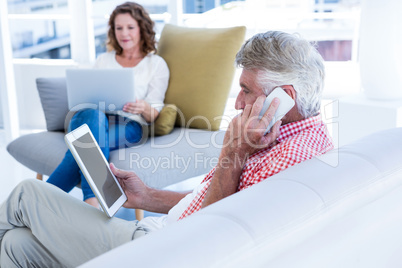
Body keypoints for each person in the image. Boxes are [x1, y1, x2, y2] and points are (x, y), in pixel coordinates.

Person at [0, 31, 334, 267]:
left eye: (246, 90)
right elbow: (215, 202)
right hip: (158, 231)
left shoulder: (289, 160)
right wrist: (146, 197)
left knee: (27, 194)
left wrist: (234, 152)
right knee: (16, 246)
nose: (238, 101)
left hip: (161, 251)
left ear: (284, 96)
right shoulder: (290, 137)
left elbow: (211, 235)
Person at [46, 2, 170, 208]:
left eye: (130, 27)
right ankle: (92, 201)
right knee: (92, 117)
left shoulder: (156, 64)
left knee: (81, 148)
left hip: (129, 125)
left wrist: (143, 108)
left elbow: (154, 113)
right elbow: (87, 96)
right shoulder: (104, 59)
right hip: (91, 118)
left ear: (142, 29)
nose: (124, 33)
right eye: (118, 28)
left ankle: (38, 200)